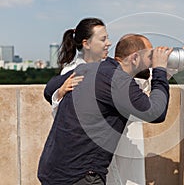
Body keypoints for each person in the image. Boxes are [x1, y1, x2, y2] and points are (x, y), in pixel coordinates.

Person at [38, 34, 173, 184]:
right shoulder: (119, 81)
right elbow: (156, 113)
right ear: (135, 58)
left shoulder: (91, 68)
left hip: (53, 170)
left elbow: (49, 89)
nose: (152, 63)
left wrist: (62, 89)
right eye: (150, 56)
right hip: (80, 176)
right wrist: (160, 69)